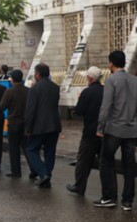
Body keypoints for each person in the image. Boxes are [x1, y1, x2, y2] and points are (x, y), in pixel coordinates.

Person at [94, 51, 137, 210]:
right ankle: (127, 201)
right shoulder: (135, 80)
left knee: (106, 161)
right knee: (129, 165)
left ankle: (109, 197)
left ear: (111, 63)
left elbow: (106, 107)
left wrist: (100, 127)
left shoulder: (111, 80)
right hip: (131, 130)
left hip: (114, 129)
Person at [65, 67, 104, 196]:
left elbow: (79, 111)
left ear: (90, 78)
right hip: (105, 131)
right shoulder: (106, 90)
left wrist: (80, 100)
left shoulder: (87, 92)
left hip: (90, 132)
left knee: (83, 160)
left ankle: (79, 186)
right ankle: (109, 192)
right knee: (105, 162)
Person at [25, 63, 62, 189]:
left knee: (31, 149)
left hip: (39, 126)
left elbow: (30, 110)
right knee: (50, 151)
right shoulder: (55, 87)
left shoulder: (34, 89)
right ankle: (46, 177)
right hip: (54, 124)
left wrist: (28, 128)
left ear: (38, 74)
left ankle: (43, 173)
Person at [0, 69, 33, 178]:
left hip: (13, 123)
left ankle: (16, 171)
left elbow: (2, 106)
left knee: (14, 148)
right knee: (27, 147)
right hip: (26, 123)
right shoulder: (29, 91)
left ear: (12, 79)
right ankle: (34, 169)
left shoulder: (9, 92)